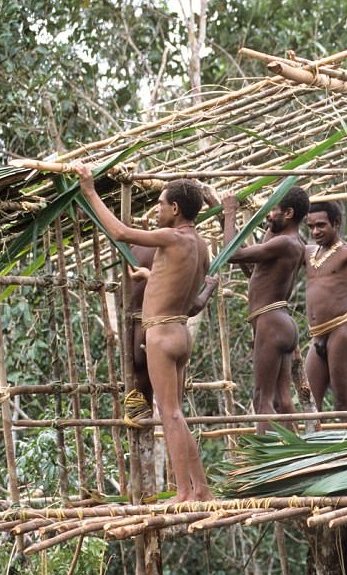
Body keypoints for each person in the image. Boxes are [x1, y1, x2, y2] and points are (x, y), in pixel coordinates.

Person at [72, 163, 213, 502]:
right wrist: (152, 279)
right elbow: (188, 296)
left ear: (175, 209)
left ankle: (183, 493)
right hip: (179, 331)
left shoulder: (171, 237)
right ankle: (202, 490)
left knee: (170, 414)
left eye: (161, 204)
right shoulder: (202, 246)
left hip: (161, 336)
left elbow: (120, 233)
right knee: (177, 413)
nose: (157, 210)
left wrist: (89, 191)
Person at [221, 186, 309, 434]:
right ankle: (294, 459)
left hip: (271, 322)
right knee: (281, 399)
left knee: (262, 399)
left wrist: (229, 213)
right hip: (280, 321)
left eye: (273, 209)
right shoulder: (291, 241)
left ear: (289, 213)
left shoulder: (285, 242)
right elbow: (253, 269)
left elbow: (232, 254)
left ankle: (267, 466)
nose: (268, 215)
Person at [123, 245, 217, 428]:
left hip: (136, 335)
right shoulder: (181, 252)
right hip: (164, 333)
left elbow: (125, 299)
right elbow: (192, 307)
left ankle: (144, 452)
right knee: (174, 414)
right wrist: (209, 288)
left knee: (141, 412)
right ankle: (175, 456)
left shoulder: (133, 251)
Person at [304, 201, 347, 414]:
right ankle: (315, 448)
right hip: (317, 335)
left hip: (342, 330)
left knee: (343, 403)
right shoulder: (308, 253)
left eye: (321, 225)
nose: (315, 231)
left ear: (336, 223)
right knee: (309, 404)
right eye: (310, 227)